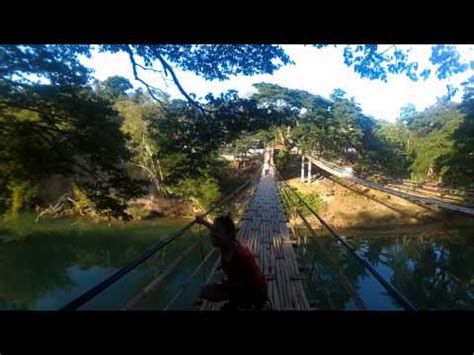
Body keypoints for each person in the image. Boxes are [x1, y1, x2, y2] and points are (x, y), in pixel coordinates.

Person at [194, 214, 268, 310]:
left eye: (217, 231)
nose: (212, 234)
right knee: (206, 291)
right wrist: (203, 222)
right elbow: (215, 231)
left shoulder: (242, 256)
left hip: (253, 293)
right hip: (238, 285)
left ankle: (251, 305)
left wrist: (225, 286)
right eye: (213, 231)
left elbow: (255, 282)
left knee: (208, 291)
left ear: (230, 234)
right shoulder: (227, 244)